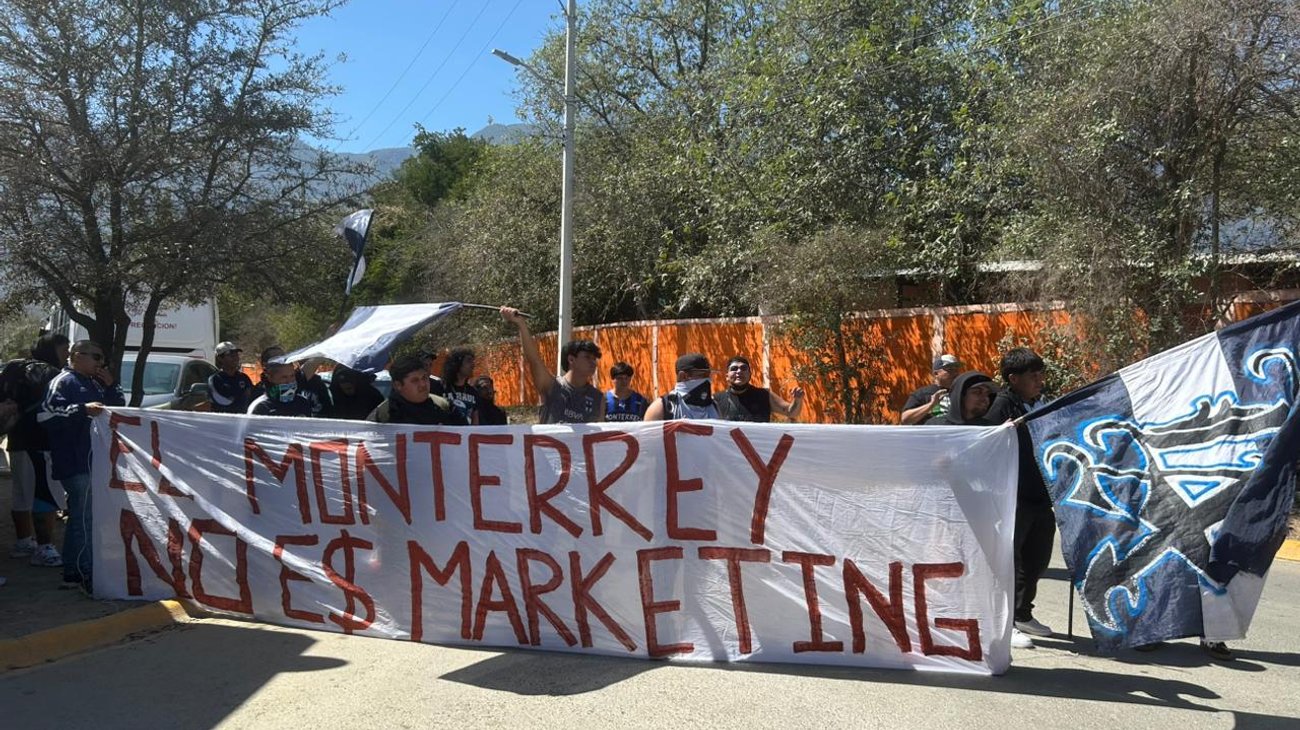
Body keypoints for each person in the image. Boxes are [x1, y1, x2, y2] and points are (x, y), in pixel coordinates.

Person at [982, 347, 1055, 649]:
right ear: (1013, 379)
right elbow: (987, 442)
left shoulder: (1043, 403)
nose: (1040, 380)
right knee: (1010, 561)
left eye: (1041, 374)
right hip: (1013, 496)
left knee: (1037, 559)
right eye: (1033, 375)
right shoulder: (1001, 407)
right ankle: (1005, 620)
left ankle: (1023, 613)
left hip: (1041, 494)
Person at [38, 339, 125, 590]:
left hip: (93, 460)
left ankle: (76, 570)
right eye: (96, 357)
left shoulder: (94, 382)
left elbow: (116, 410)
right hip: (73, 461)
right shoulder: (63, 381)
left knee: (85, 515)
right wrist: (81, 410)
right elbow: (45, 414)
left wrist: (112, 385)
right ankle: (83, 570)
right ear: (77, 356)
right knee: (83, 516)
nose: (101, 363)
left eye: (102, 359)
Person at [5, 333, 69, 568]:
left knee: (22, 493)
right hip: (42, 442)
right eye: (65, 350)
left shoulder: (13, 367)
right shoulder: (51, 374)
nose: (68, 355)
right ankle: (45, 547)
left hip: (17, 439)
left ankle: (24, 542)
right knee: (46, 495)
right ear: (53, 350)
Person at [500, 307, 605, 424]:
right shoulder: (552, 386)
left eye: (594, 359)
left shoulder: (598, 398)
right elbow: (534, 360)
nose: (593, 363)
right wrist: (521, 324)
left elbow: (597, 437)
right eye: (587, 357)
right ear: (571, 359)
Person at [367, 355, 464, 425]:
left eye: (424, 378)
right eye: (415, 380)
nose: (423, 384)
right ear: (398, 385)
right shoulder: (383, 415)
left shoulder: (445, 406)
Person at [714, 355, 805, 422]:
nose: (739, 371)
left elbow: (791, 412)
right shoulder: (717, 400)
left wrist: (797, 400)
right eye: (734, 369)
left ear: (750, 374)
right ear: (727, 376)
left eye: (743, 368)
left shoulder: (764, 395)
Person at [644, 353, 718, 420]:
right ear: (683, 376)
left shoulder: (715, 407)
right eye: (702, 375)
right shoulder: (662, 408)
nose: (708, 380)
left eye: (708, 375)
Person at [900, 354, 961, 425]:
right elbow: (905, 419)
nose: (955, 373)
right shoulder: (923, 394)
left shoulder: (962, 393)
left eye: (956, 369)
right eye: (950, 370)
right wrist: (931, 404)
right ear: (936, 373)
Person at [247, 363, 313, 417]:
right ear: (270, 378)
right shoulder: (261, 407)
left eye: (292, 376)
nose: (289, 381)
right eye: (284, 377)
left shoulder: (302, 403)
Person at [207, 341, 254, 414]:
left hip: (242, 420)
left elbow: (252, 398)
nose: (235, 357)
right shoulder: (215, 379)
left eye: (236, 354)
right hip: (224, 421)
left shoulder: (244, 378)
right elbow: (222, 401)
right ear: (220, 358)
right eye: (230, 354)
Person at [440, 348, 480, 425]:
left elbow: (475, 421)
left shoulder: (473, 392)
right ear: (457, 363)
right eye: (468, 361)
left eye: (472, 361)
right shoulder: (441, 387)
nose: (473, 365)